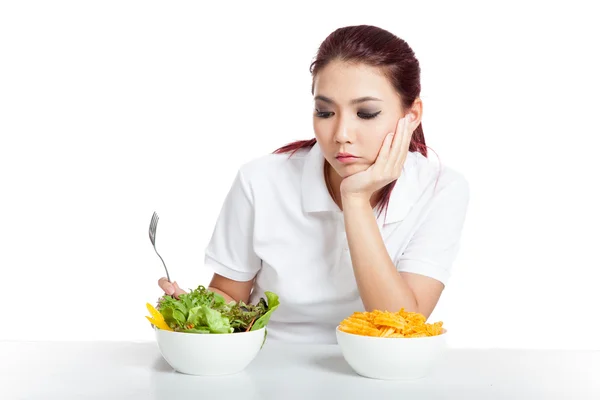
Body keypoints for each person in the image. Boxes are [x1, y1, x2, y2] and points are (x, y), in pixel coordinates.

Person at [158, 25, 470, 344]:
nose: (341, 134)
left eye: (366, 113)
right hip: (270, 368)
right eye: (325, 111)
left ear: (412, 113)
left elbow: (402, 327)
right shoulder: (261, 180)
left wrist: (356, 200)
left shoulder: (440, 189)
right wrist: (195, 312)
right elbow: (228, 293)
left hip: (376, 374)